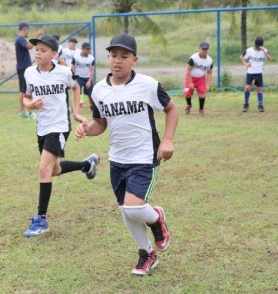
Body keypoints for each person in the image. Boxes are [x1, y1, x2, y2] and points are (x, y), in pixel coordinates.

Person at [75, 34, 178, 276]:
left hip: (144, 157)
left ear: (135, 59)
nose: (117, 61)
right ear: (108, 58)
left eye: (124, 56)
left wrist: (168, 140)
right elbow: (101, 123)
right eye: (113, 56)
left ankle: (156, 218)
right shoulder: (98, 90)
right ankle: (146, 254)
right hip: (117, 159)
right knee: (127, 210)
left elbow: (171, 109)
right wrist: (87, 129)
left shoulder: (148, 84)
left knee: (133, 208)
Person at [21, 34, 100, 238]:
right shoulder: (29, 72)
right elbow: (26, 96)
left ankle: (41, 219)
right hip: (42, 127)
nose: (38, 53)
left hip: (59, 126)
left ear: (54, 54)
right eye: (36, 49)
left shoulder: (64, 72)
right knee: (53, 170)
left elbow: (75, 87)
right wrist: (29, 105)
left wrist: (75, 112)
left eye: (43, 50)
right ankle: (87, 165)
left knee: (43, 169)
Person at [15, 21, 44, 119]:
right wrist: (37, 35)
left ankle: (23, 112)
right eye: (28, 30)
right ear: (25, 29)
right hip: (23, 68)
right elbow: (30, 46)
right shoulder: (20, 39)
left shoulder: (20, 39)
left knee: (23, 90)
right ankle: (28, 112)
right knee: (25, 91)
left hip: (23, 67)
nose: (28, 33)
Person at [240, 37, 271, 112]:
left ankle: (260, 105)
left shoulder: (264, 51)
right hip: (250, 72)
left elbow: (269, 59)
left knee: (259, 89)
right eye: (257, 46)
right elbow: (241, 56)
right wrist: (245, 64)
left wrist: (264, 51)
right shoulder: (249, 50)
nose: (258, 48)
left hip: (259, 72)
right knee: (247, 87)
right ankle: (246, 104)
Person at [184, 42, 213, 115]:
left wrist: (208, 84)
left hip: (201, 78)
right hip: (190, 77)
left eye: (206, 49)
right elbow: (188, 70)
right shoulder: (193, 58)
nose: (204, 50)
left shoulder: (209, 60)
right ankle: (189, 105)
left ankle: (201, 109)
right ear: (199, 49)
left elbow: (209, 72)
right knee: (187, 94)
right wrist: (190, 82)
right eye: (203, 49)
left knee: (202, 94)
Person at [71, 42, 95, 109]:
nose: (88, 51)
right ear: (82, 49)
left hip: (87, 77)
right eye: (86, 49)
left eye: (89, 49)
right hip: (78, 77)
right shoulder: (76, 57)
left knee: (90, 94)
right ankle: (76, 107)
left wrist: (89, 81)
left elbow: (92, 70)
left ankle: (92, 105)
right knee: (78, 91)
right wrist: (73, 78)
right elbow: (73, 68)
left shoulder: (91, 58)